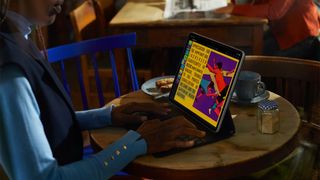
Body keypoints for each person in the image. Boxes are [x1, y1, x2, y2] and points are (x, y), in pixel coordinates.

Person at [0, 0, 206, 179]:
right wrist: (139, 142)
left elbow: (47, 121)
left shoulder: (17, 36)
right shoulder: (10, 72)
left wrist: (107, 116)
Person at [215, 0, 320, 60]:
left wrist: (233, 9)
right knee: (240, 51)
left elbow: (273, 11)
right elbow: (258, 5)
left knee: (245, 57)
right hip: (282, 34)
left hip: (301, 37)